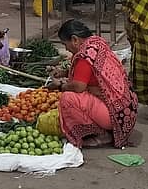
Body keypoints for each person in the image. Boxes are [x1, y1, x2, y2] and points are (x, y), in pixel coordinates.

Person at [49, 20, 138, 148]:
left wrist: (59, 86)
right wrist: (65, 73)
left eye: (65, 44)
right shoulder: (96, 43)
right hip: (127, 111)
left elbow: (79, 86)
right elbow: (88, 73)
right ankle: (104, 128)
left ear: (75, 39)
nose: (66, 49)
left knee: (68, 99)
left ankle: (102, 135)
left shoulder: (84, 56)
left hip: (117, 116)